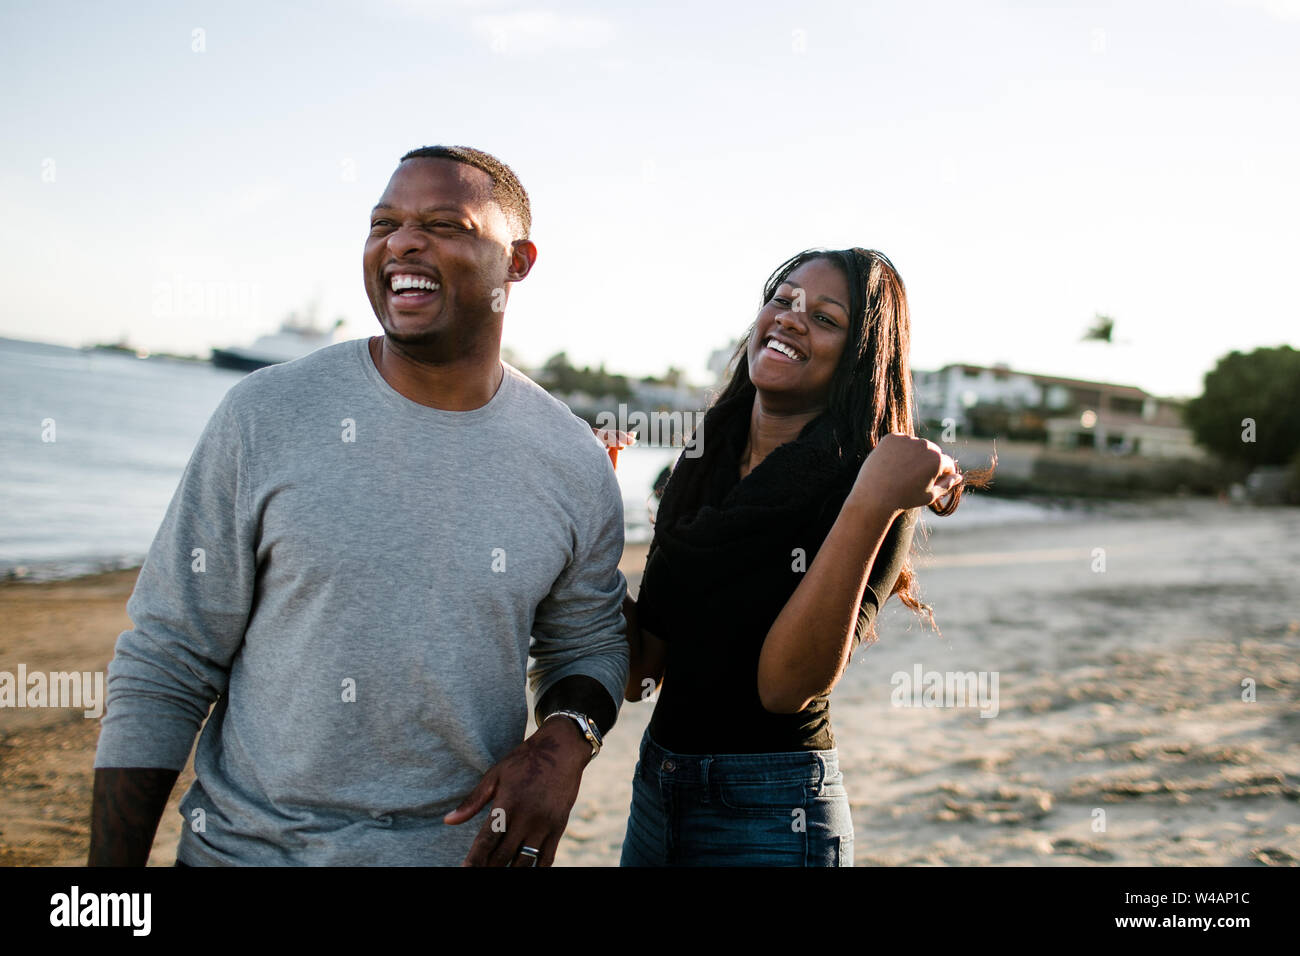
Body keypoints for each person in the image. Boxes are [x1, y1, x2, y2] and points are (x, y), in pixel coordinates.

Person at [89, 145, 629, 867]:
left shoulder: (572, 461)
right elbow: (168, 658)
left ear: (518, 262)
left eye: (444, 223)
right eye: (383, 223)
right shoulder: (266, 414)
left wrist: (566, 740)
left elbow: (588, 642)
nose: (402, 241)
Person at [618, 247, 995, 867]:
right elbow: (642, 671)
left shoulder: (869, 486)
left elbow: (785, 687)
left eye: (825, 318)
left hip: (775, 810)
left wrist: (870, 501)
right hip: (657, 790)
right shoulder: (700, 460)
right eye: (783, 300)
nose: (790, 319)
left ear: (859, 357)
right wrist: (588, 528)